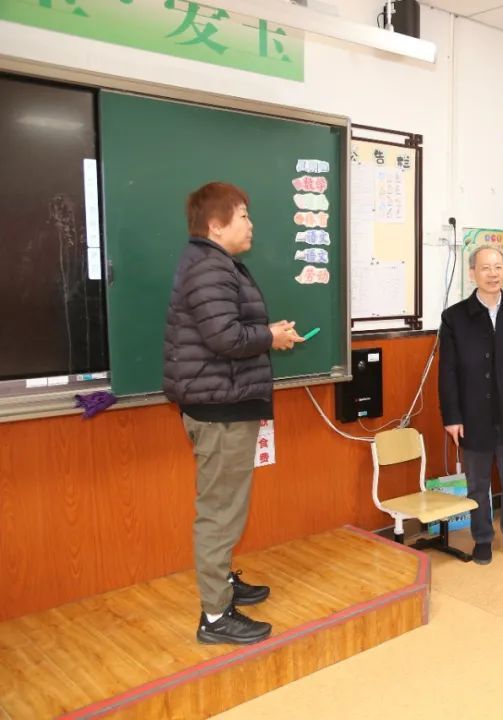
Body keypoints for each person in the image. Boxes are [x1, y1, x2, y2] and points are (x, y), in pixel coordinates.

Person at [163, 182, 305, 644]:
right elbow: (225, 337)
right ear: (215, 224)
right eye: (242, 215)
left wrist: (267, 333)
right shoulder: (210, 267)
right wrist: (270, 336)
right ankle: (215, 617)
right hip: (220, 408)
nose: (251, 224)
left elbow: (225, 331)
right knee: (221, 513)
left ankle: (222, 583)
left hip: (222, 401)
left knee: (226, 507)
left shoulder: (214, 263)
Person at [439, 246, 503, 565]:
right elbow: (448, 371)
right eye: (485, 267)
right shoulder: (455, 317)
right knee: (477, 484)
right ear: (472, 273)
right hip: (473, 415)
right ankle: (482, 538)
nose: (493, 273)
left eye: (498, 267)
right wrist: (452, 416)